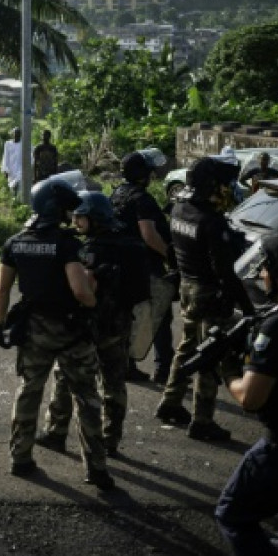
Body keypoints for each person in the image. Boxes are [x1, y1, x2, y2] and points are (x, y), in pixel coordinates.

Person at [0, 179, 115, 491]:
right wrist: (94, 295)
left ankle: (20, 457)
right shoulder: (66, 244)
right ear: (56, 209)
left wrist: (0, 322)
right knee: (86, 397)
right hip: (71, 330)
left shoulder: (16, 242)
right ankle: (97, 469)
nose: (68, 215)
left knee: (29, 390)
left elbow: (3, 288)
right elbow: (79, 290)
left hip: (32, 329)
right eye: (65, 209)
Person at [37, 192, 151, 458]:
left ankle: (56, 432)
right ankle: (110, 439)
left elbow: (79, 289)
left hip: (86, 326)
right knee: (113, 382)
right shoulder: (132, 245)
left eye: (80, 216)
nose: (76, 221)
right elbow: (142, 292)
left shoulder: (87, 249)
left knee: (65, 377)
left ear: (94, 218)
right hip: (119, 324)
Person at [215, 232, 278, 556]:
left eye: (266, 268)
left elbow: (251, 398)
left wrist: (229, 373)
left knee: (233, 514)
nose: (262, 274)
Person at [155, 157, 252, 441]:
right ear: (212, 185)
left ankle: (170, 402)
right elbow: (225, 271)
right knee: (210, 353)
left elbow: (173, 249)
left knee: (187, 346)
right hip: (208, 291)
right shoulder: (211, 220)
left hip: (187, 286)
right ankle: (202, 421)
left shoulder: (180, 207)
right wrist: (245, 306)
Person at [112, 148, 176, 384]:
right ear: (142, 174)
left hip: (122, 265)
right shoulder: (142, 199)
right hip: (146, 265)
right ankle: (164, 369)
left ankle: (128, 364)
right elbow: (148, 234)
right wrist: (169, 256)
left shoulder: (118, 194)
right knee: (159, 316)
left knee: (130, 315)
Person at [2, 129, 23, 195]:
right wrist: (5, 170)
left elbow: (33, 151)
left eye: (18, 134)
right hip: (11, 169)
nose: (17, 135)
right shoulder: (8, 144)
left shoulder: (23, 143)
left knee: (19, 185)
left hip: (21, 169)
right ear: (13, 134)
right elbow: (5, 157)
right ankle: (14, 201)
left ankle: (19, 201)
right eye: (15, 134)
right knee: (12, 188)